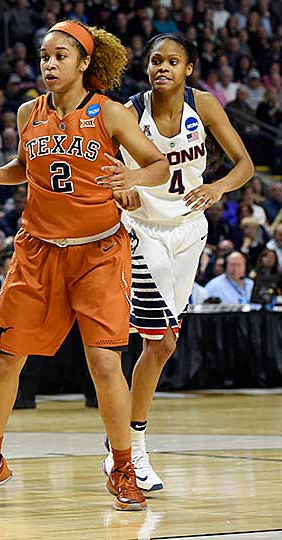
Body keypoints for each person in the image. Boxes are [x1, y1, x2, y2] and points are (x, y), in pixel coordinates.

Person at [0, 20, 169, 512]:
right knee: (5, 358)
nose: (49, 64)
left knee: (105, 363)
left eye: (60, 56)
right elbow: (25, 170)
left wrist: (131, 175)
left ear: (85, 62)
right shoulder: (30, 111)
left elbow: (160, 166)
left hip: (99, 253)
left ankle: (124, 466)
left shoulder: (110, 114)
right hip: (38, 250)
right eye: (44, 56)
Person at [109, 33, 254, 491]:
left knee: (159, 348)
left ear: (188, 68)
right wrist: (124, 185)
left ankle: (120, 448)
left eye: (173, 61)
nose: (163, 68)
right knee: (163, 341)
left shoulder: (204, 106)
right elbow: (106, 170)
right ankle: (130, 453)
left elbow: (244, 164)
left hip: (190, 231)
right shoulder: (130, 111)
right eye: (155, 61)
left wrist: (218, 187)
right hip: (143, 230)